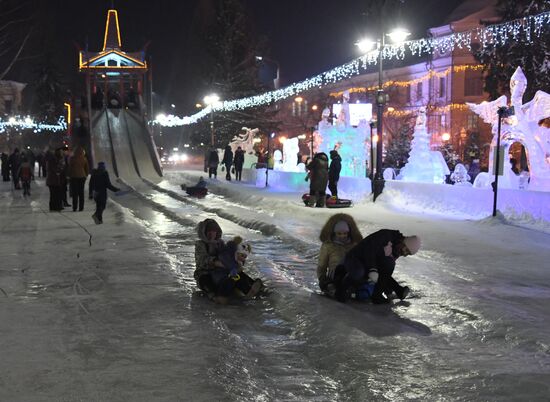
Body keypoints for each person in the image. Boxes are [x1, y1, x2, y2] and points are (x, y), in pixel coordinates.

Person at [335, 229, 421, 304]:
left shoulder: (397, 249)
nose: (404, 253)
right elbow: (369, 250)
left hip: (369, 266)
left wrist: (386, 289)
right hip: (356, 257)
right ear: (403, 242)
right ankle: (341, 290)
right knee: (359, 272)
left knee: (389, 265)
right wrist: (373, 269)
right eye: (406, 250)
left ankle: (377, 295)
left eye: (408, 253)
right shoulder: (385, 235)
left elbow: (386, 270)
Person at [317, 214, 362, 294]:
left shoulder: (354, 245)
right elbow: (321, 266)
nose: (342, 236)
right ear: (335, 233)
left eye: (345, 233)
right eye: (339, 233)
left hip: (352, 276)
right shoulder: (328, 245)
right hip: (334, 278)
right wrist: (324, 281)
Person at [68, 146, 89, 212]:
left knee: (75, 193)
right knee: (81, 193)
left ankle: (74, 207)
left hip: (74, 177)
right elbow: (87, 168)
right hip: (82, 177)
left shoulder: (72, 159)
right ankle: (81, 208)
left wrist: (69, 175)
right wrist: (86, 175)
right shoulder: (84, 159)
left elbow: (70, 168)